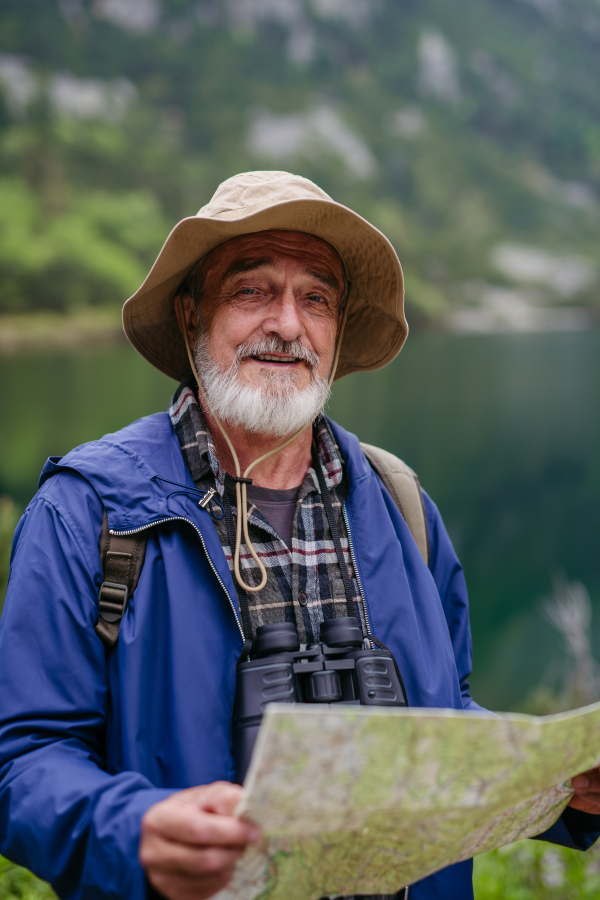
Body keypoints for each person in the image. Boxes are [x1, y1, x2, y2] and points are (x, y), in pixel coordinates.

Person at [1, 171, 599, 900]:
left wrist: (559, 784)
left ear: (337, 329)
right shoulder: (87, 513)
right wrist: (135, 827)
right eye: (253, 291)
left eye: (315, 298)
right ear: (191, 314)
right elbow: (25, 759)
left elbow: (445, 719)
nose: (288, 324)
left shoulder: (401, 503)